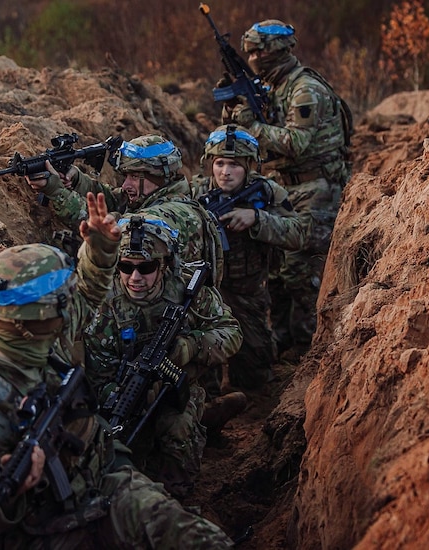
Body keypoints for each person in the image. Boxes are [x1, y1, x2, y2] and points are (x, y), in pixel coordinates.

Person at [0, 192, 234, 548]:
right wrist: (11, 483)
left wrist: (99, 248)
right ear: (36, 319)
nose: (71, 305)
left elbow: (89, 291)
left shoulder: (27, 334)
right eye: (62, 301)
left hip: (100, 472)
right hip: (51, 523)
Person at [83, 214, 243, 500]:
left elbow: (231, 333)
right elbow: (97, 376)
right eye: (126, 267)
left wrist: (191, 346)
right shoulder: (104, 305)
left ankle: (179, 497)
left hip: (178, 393)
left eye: (146, 267)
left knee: (178, 429)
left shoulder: (187, 290)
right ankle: (209, 417)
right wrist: (119, 397)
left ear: (165, 264)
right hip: (125, 397)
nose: (135, 277)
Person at [221, 19, 353, 353]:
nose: (252, 58)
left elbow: (298, 142)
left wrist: (254, 126)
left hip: (315, 190)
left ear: (276, 51)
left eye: (258, 51)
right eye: (249, 52)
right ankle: (280, 344)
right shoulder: (272, 87)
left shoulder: (304, 88)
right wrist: (234, 115)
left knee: (301, 271)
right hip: (282, 187)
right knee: (278, 271)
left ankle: (312, 348)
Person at [191, 125, 307, 390]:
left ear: (249, 166)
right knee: (200, 373)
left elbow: (299, 234)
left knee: (256, 379)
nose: (225, 172)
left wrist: (257, 219)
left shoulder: (266, 192)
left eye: (234, 164)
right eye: (219, 163)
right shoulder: (194, 193)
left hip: (248, 294)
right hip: (203, 296)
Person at [28, 134, 223, 285]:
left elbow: (103, 233)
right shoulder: (157, 195)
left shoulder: (169, 214)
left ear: (157, 176)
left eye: (134, 177)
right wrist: (77, 180)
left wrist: (56, 191)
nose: (126, 184)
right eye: (125, 176)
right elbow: (113, 199)